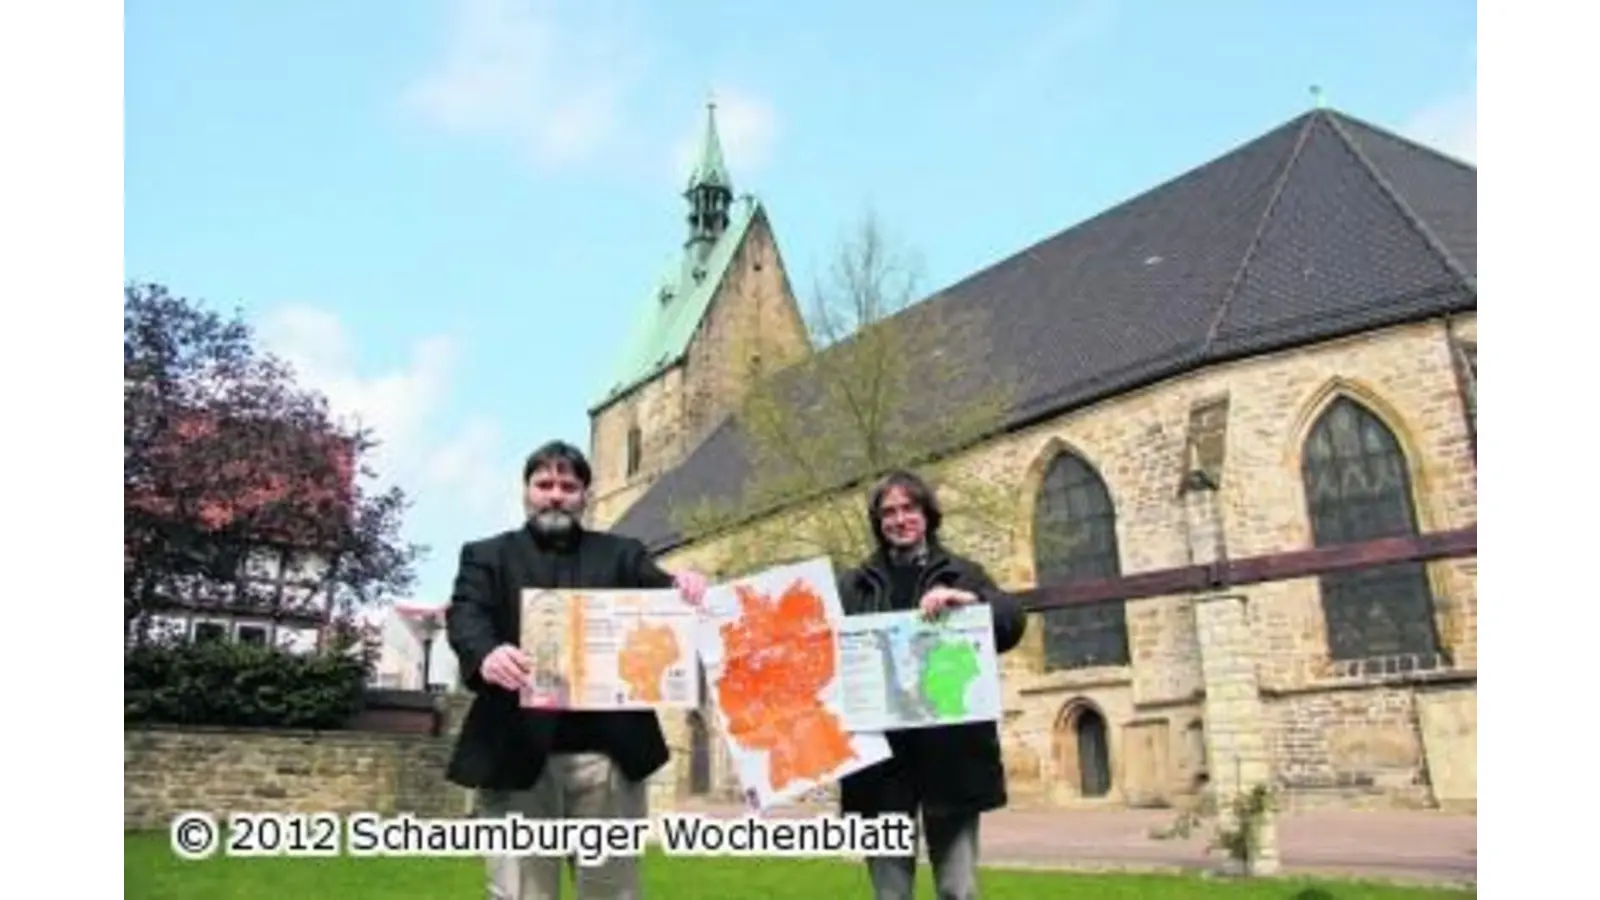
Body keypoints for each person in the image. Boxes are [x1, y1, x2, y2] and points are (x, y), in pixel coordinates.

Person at [445, 440, 708, 900]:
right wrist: (486, 652)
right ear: (526, 491)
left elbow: (665, 597)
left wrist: (683, 586)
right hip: (516, 753)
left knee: (613, 892)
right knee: (519, 893)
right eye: (544, 484)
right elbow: (466, 615)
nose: (555, 495)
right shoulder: (486, 556)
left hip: (609, 759)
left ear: (586, 495)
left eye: (568, 486)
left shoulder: (623, 554)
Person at [835, 469, 1027, 900]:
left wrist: (971, 603)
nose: (899, 519)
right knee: (891, 895)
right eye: (888, 512)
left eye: (909, 508)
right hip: (881, 766)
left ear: (927, 514)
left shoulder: (963, 574)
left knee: (958, 889)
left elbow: (1011, 620)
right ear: (878, 522)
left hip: (951, 758)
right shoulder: (853, 586)